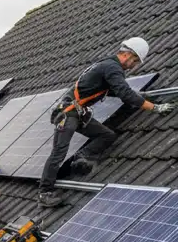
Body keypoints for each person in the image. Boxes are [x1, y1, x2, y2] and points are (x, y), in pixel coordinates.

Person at [38, 37, 175, 207]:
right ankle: (45, 193)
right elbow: (124, 93)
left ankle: (82, 157)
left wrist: (140, 96)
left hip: (79, 113)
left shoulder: (108, 66)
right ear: (126, 54)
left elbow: (115, 91)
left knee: (107, 135)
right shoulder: (112, 67)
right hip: (67, 113)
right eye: (135, 61)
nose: (134, 66)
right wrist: (155, 108)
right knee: (59, 152)